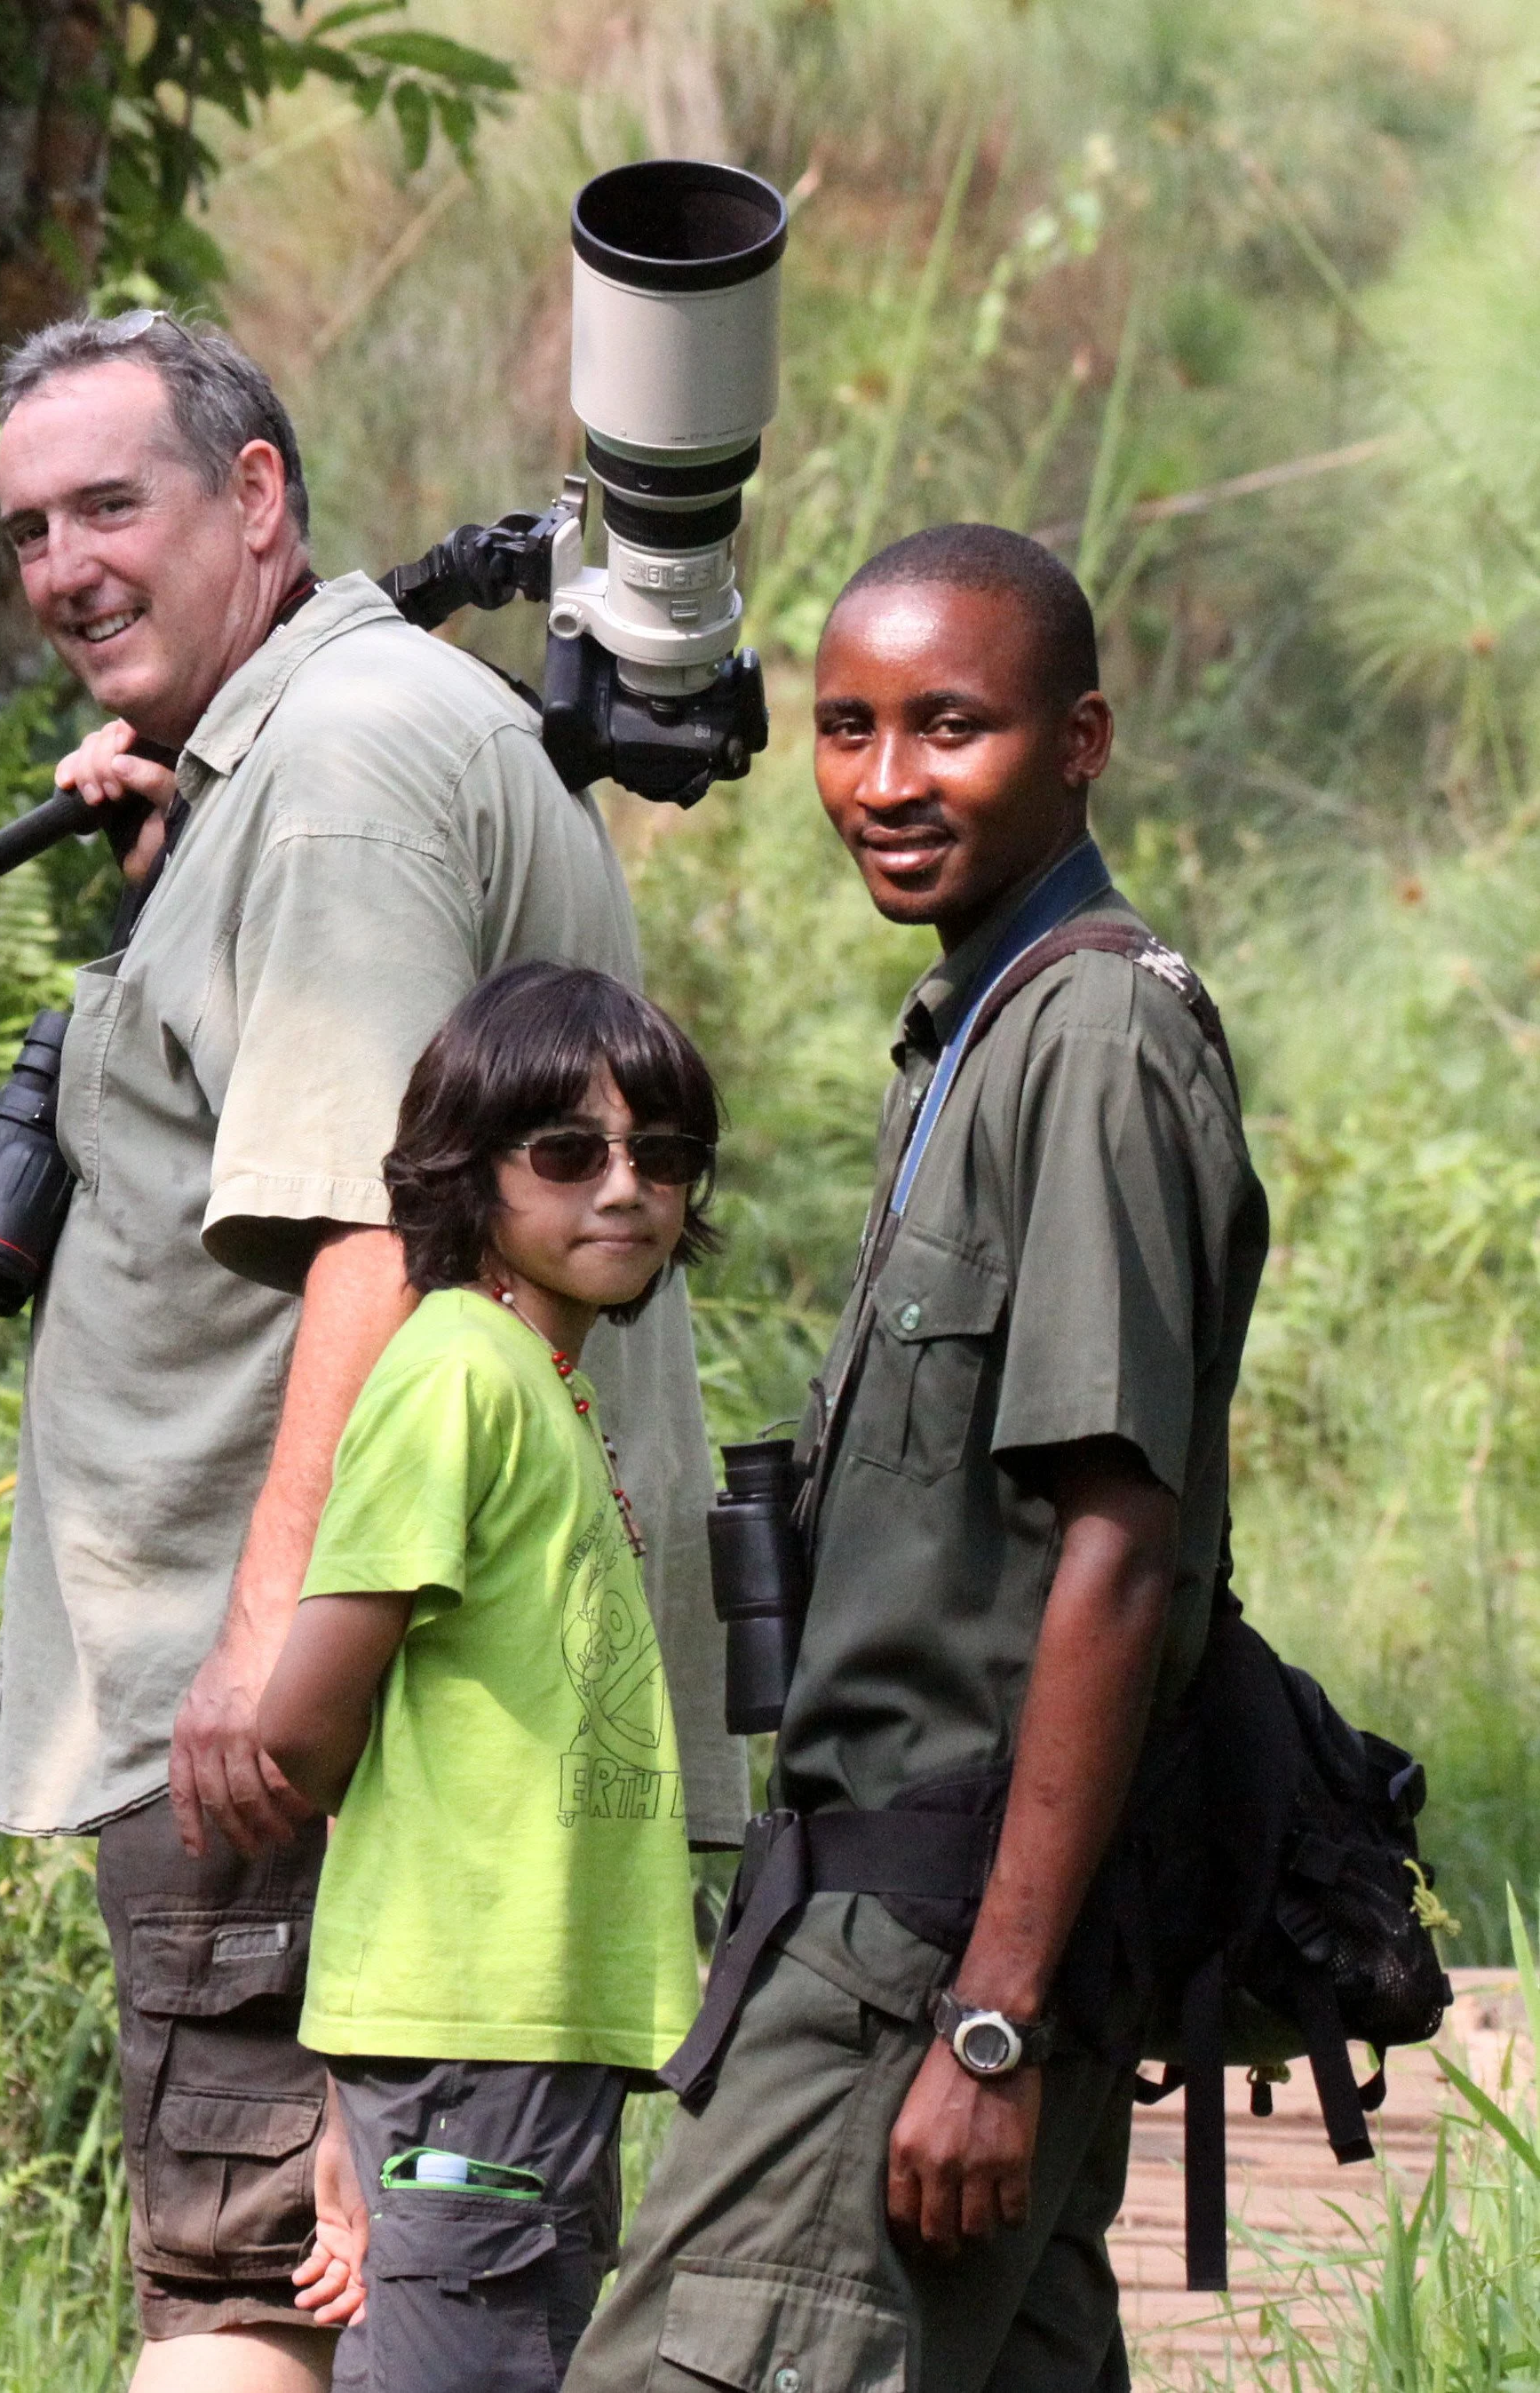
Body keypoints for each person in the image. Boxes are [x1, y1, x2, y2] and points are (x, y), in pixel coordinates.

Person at [0, 310, 746, 2393]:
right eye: (29, 529)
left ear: (256, 497)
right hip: (411, 1697)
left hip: (326, 1703)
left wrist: (261, 1661)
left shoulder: (334, 774)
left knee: (248, 2297)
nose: (63, 567)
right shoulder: (341, 747)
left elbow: (373, 1230)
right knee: (388, 2300)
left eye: (109, 505)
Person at [563, 523, 1271, 2393]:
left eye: (949, 727)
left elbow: (1119, 1547)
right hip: (888, 1915)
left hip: (929, 1951)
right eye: (847, 727)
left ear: (1080, 739)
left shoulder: (1095, 1040)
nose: (885, 782)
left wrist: (992, 2021)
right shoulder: (974, 1025)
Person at [258, 960, 715, 2391]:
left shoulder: (540, 1378)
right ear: (472, 1170)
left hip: (525, 2033)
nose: (626, 1188)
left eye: (663, 1155)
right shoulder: (459, 1369)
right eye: (570, 1152)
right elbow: (303, 1716)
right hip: (474, 2035)